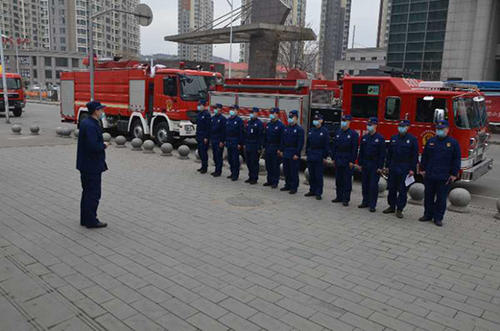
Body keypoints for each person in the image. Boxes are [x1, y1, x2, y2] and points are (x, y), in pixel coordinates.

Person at [419, 120, 461, 227]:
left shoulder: (453, 143)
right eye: (438, 129)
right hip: (430, 174)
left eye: (442, 129)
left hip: (444, 176)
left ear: (447, 130)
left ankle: (438, 218)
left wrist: (454, 174)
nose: (439, 131)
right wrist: (422, 169)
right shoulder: (431, 141)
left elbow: (456, 160)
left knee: (441, 198)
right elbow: (425, 156)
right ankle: (427, 214)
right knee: (428, 196)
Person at [76, 101, 109, 228]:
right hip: (91, 165)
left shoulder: (86, 122)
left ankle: (85, 218)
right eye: (101, 110)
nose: (102, 112)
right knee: (93, 194)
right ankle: (91, 220)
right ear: (96, 111)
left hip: (85, 164)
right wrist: (104, 145)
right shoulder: (91, 125)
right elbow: (93, 146)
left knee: (87, 192)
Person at [383, 119, 418, 218]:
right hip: (393, 167)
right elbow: (389, 154)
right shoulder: (394, 138)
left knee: (402, 190)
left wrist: (412, 169)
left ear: (408, 128)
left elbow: (414, 156)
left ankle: (399, 209)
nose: (401, 128)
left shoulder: (412, 139)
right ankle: (391, 206)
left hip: (405, 168)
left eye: (404, 126)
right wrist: (387, 166)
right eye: (400, 126)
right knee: (392, 188)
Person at [357, 117, 386, 212]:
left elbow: (382, 154)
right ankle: (365, 201)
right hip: (365, 164)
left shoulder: (380, 138)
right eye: (368, 125)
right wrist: (360, 163)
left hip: (374, 165)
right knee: (365, 184)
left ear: (375, 125)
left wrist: (380, 167)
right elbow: (361, 151)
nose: (368, 126)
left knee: (373, 186)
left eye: (370, 125)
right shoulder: (365, 137)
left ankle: (372, 205)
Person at [331, 114, 359, 206]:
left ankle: (346, 199)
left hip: (347, 160)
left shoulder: (353, 134)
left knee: (347, 180)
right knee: (338, 180)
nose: (343, 123)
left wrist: (352, 161)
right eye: (342, 121)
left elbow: (354, 149)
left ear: (349, 122)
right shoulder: (338, 132)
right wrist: (333, 158)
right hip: (338, 159)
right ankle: (339, 196)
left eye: (345, 121)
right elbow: (334, 146)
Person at [305, 114, 330, 200]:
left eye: (317, 119)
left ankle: (318, 192)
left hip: (319, 155)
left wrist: (325, 156)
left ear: (321, 121)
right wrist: (307, 153)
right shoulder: (311, 130)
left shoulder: (324, 131)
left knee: (318, 175)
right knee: (311, 174)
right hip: (311, 154)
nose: (315, 121)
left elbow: (327, 145)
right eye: (314, 119)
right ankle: (312, 190)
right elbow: (308, 143)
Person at [279, 110, 304, 194]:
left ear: (296, 118)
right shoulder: (286, 128)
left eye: (292, 117)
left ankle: (294, 187)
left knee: (293, 171)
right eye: (289, 117)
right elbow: (282, 140)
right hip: (286, 152)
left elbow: (300, 143)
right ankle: (287, 185)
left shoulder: (299, 130)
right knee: (286, 170)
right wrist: (281, 150)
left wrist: (297, 154)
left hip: (294, 153)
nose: (290, 119)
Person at [263, 107, 284, 188]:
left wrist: (280, 149)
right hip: (268, 147)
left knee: (275, 166)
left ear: (277, 114)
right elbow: (265, 136)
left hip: (276, 148)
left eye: (273, 113)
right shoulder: (268, 125)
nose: (271, 115)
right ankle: (269, 180)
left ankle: (275, 182)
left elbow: (282, 139)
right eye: (270, 113)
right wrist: (264, 146)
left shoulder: (280, 125)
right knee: (268, 165)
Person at [244, 107, 264, 184]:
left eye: (253, 112)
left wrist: (259, 147)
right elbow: (246, 134)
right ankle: (250, 176)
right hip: (248, 145)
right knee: (248, 162)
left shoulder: (259, 124)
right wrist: (245, 144)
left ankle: (254, 178)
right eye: (250, 112)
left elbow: (260, 136)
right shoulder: (249, 122)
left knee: (254, 162)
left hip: (255, 146)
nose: (251, 114)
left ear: (256, 113)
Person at [225, 105, 245, 181]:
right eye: (231, 109)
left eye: (233, 109)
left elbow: (241, 133)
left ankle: (235, 175)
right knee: (229, 158)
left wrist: (240, 143)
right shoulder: (228, 119)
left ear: (237, 111)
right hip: (229, 141)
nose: (232, 111)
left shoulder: (239, 121)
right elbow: (226, 131)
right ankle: (232, 172)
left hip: (235, 142)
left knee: (235, 159)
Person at [210, 103, 226, 177]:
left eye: (217, 108)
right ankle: (216, 169)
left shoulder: (223, 119)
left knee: (219, 156)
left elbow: (224, 131)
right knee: (214, 156)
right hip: (213, 139)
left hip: (219, 140)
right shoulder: (213, 118)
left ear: (220, 109)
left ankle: (218, 171)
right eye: (215, 108)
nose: (215, 110)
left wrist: (222, 141)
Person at [195, 100, 211, 174]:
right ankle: (202, 166)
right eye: (198, 105)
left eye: (200, 105)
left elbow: (208, 127)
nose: (199, 106)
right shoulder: (199, 114)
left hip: (204, 136)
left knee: (204, 152)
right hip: (199, 135)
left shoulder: (206, 114)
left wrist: (206, 137)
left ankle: (205, 167)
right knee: (200, 152)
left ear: (203, 106)